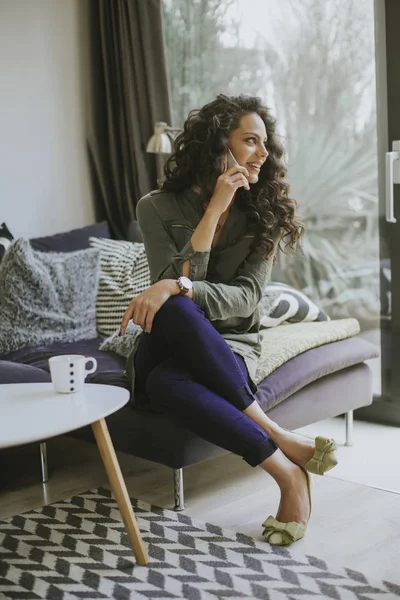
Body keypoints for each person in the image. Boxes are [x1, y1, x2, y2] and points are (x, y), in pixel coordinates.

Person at [120, 94, 338, 546]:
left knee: (166, 380)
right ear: (218, 145)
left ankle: (285, 474)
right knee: (177, 308)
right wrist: (215, 206)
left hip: (230, 346)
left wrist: (180, 286)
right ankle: (281, 447)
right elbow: (173, 299)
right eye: (250, 141)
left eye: (266, 145)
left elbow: (247, 298)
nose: (263, 154)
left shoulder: (265, 215)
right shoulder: (155, 207)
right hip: (167, 338)